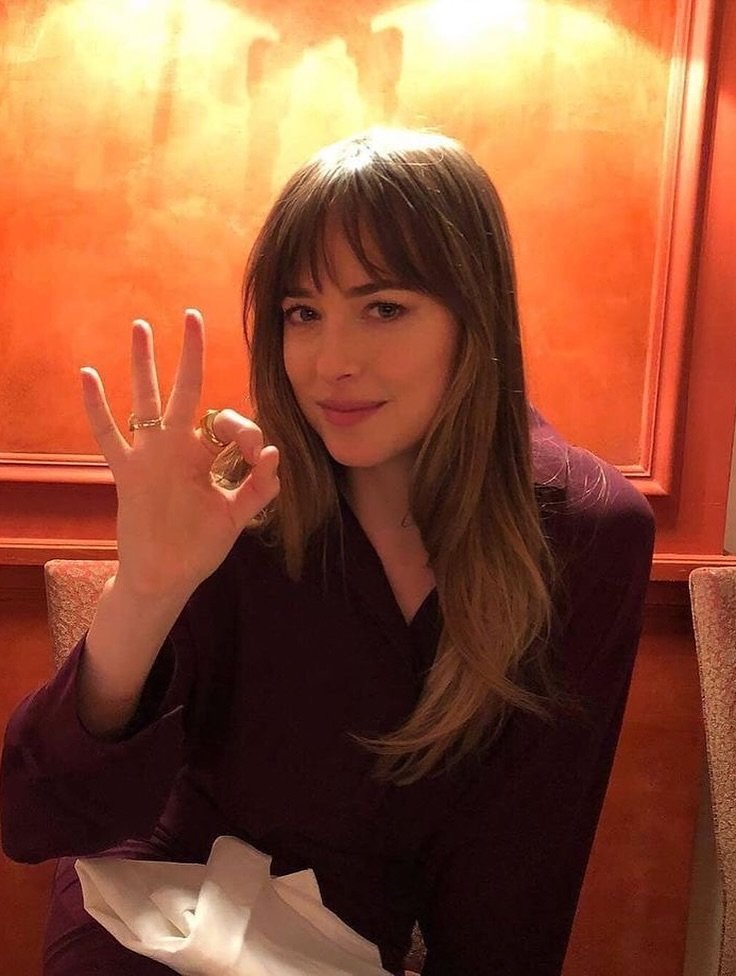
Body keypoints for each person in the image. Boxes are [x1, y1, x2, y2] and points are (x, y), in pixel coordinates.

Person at [1, 127, 655, 976]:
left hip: (334, 949)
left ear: (477, 314)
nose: (331, 362)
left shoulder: (584, 531)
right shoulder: (238, 499)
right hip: (150, 917)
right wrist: (145, 592)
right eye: (302, 313)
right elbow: (36, 819)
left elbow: (523, 869)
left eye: (384, 308)